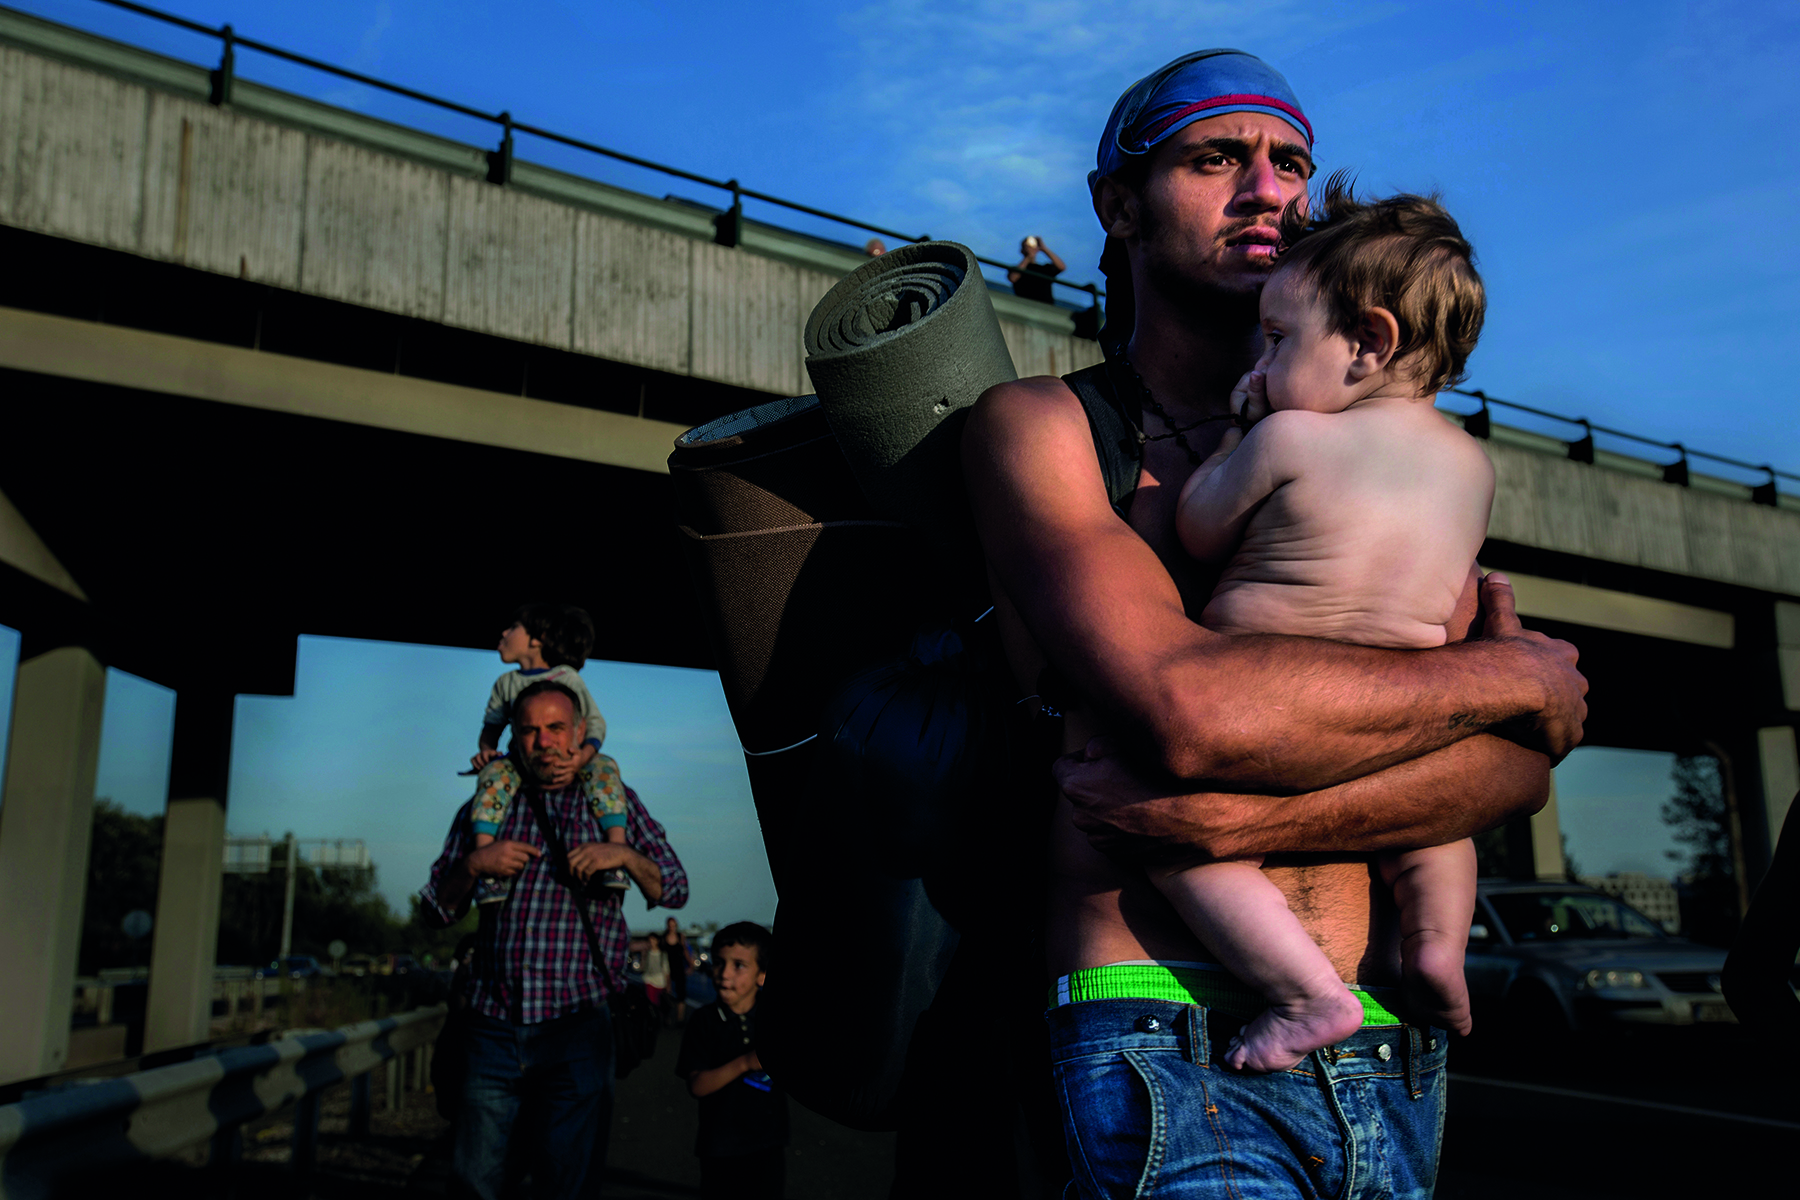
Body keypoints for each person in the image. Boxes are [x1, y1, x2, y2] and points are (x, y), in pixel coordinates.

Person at [961, 48, 1588, 1197]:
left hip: (1389, 1049)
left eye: (1290, 161)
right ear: (1117, 205)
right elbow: (1190, 714)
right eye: (1216, 159)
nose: (1269, 190)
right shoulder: (1053, 432)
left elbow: (1515, 776)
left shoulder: (1395, 454)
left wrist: (1204, 816)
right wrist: (1510, 683)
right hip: (1167, 1033)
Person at [1141, 179, 1494, 1072]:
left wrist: (1233, 438)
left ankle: (1306, 995)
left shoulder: (1290, 437)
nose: (1257, 364)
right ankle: (1438, 950)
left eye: (1275, 339)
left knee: (1178, 846)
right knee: (1436, 831)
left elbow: (1200, 526)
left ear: (1368, 344)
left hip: (1271, 705)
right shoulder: (1470, 467)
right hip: (1403, 720)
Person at [420, 680, 689, 1200]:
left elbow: (674, 888)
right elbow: (434, 908)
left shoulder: (612, 799)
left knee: (566, 1186)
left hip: (578, 1030)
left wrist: (625, 858)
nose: (544, 741)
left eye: (556, 728)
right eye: (530, 730)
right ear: (515, 738)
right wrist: (475, 864)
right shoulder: (488, 804)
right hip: (493, 1026)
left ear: (580, 733)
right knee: (474, 1184)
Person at [468, 604, 631, 898]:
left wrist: (583, 756)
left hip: (573, 760)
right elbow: (491, 726)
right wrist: (486, 752)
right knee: (492, 778)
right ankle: (487, 867)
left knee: (605, 769)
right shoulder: (505, 684)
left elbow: (595, 725)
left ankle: (615, 853)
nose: (504, 632)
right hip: (521, 765)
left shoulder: (567, 677)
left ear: (537, 637)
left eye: (513, 627)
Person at [675, 923, 787, 1200]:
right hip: (720, 1144)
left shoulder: (774, 1019)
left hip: (769, 1142)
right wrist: (744, 1063)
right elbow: (697, 1086)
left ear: (762, 975)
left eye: (739, 965)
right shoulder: (704, 1021)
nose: (724, 974)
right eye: (719, 963)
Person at [1008, 235, 1066, 303]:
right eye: (1026, 246)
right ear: (1022, 250)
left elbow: (1061, 267)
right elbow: (1013, 278)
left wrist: (1044, 248)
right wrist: (1028, 257)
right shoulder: (1016, 269)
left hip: (1045, 306)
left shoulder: (1044, 269)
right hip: (1024, 304)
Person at [663, 916, 692, 1024]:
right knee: (667, 994)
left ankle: (680, 1019)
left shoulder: (680, 937)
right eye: (670, 925)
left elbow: (685, 951)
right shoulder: (664, 937)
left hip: (679, 968)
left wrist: (691, 965)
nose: (672, 927)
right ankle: (667, 1018)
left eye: (674, 925)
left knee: (681, 994)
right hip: (667, 969)